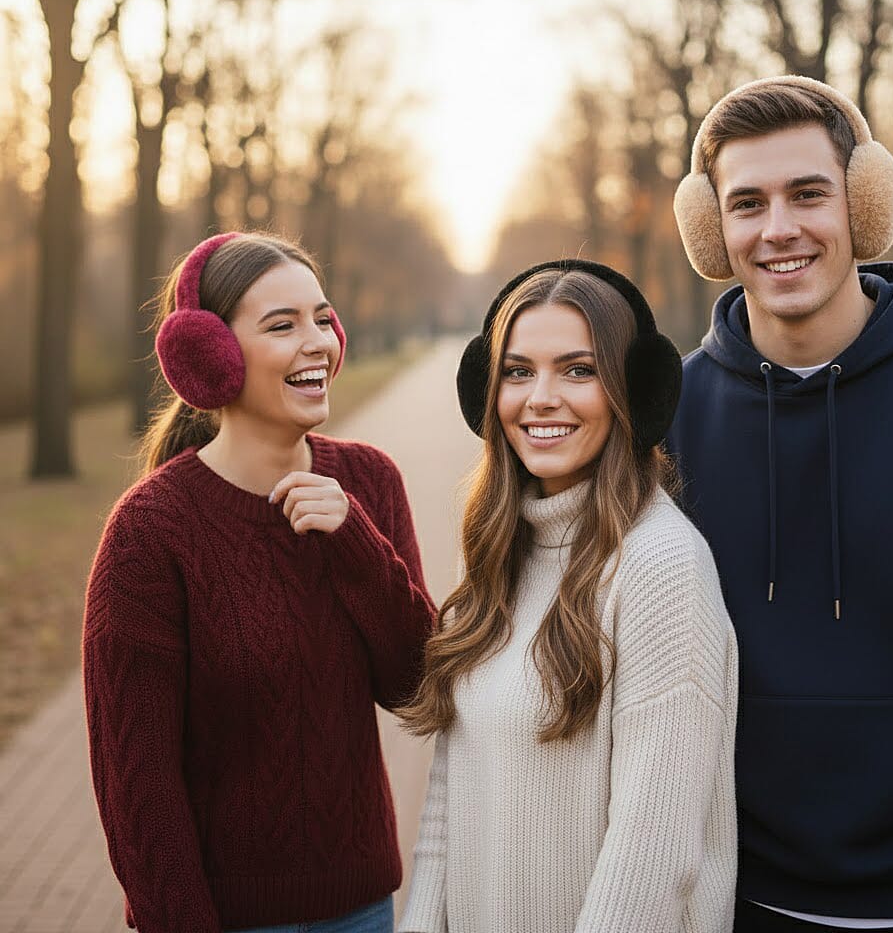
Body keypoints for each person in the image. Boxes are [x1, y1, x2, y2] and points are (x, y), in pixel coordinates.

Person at [669, 75, 893, 933]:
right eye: (747, 203)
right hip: (730, 897)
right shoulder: (668, 419)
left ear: (863, 205)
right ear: (712, 229)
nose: (779, 228)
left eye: (808, 194)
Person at [83, 232, 436, 933]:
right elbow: (139, 788)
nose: (319, 343)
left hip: (364, 907)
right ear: (208, 357)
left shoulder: (370, 480)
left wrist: (355, 542)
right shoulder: (149, 533)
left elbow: (416, 686)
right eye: (282, 325)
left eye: (321, 317)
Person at [397, 260, 738, 933]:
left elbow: (653, 857)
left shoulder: (660, 566)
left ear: (628, 393)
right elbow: (447, 802)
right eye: (518, 371)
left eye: (578, 371)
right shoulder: (502, 555)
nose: (540, 397)